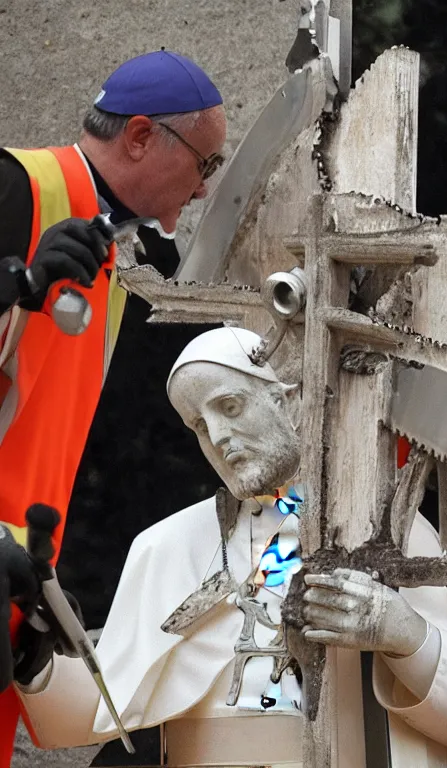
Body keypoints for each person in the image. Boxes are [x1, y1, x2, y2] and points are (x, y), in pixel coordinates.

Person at [9, 326, 447, 766]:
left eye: (230, 406)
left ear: (286, 401)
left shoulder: (382, 530)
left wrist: (404, 633)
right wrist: (35, 659)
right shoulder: (165, 546)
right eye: (200, 426)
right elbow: (105, 713)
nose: (220, 437)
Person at [0, 49, 226, 766]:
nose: (201, 192)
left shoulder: (111, 254)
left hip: (17, 580)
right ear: (138, 137)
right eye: (205, 165)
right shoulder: (15, 188)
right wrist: (19, 284)